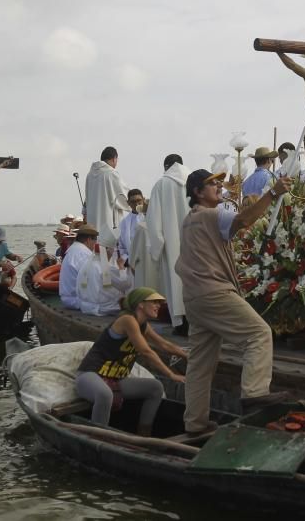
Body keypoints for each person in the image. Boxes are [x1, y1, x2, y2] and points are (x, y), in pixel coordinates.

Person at [176, 169, 292, 435]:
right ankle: (254, 392)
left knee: (200, 363)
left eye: (218, 182)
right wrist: (272, 193)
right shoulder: (211, 215)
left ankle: (195, 423)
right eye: (211, 183)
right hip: (214, 292)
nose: (218, 186)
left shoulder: (188, 220)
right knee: (259, 334)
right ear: (197, 192)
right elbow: (244, 219)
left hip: (193, 298)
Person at [74, 288, 187, 435]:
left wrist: (186, 356)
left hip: (115, 380)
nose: (158, 306)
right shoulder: (127, 320)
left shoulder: (143, 325)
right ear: (140, 304)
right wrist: (171, 375)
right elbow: (146, 352)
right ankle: (97, 438)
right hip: (90, 375)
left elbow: (165, 345)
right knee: (105, 395)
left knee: (155, 388)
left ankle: (143, 434)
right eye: (154, 302)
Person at [147, 154, 191, 332]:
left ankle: (181, 325)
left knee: (175, 282)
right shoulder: (194, 179)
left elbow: (153, 220)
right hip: (194, 241)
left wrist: (157, 248)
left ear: (165, 166)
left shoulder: (161, 185)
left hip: (172, 245)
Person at [84, 147, 131, 250]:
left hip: (93, 233)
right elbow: (126, 198)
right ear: (114, 159)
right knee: (110, 262)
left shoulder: (89, 175)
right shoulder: (111, 174)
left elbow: (86, 202)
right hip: (109, 231)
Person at [78, 247, 133, 316]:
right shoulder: (104, 267)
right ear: (107, 251)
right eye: (112, 251)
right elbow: (126, 284)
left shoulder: (86, 264)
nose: (112, 254)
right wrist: (121, 267)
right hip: (104, 308)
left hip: (85, 307)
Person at [58, 224, 98, 310]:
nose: (95, 244)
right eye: (95, 241)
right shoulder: (84, 254)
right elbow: (92, 279)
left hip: (68, 298)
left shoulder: (74, 250)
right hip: (75, 299)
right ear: (88, 240)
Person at [117, 189, 145, 263]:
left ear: (144, 200)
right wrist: (128, 260)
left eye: (139, 200)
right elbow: (121, 246)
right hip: (131, 264)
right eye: (133, 202)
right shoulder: (124, 223)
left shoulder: (150, 217)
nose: (136, 204)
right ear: (128, 203)